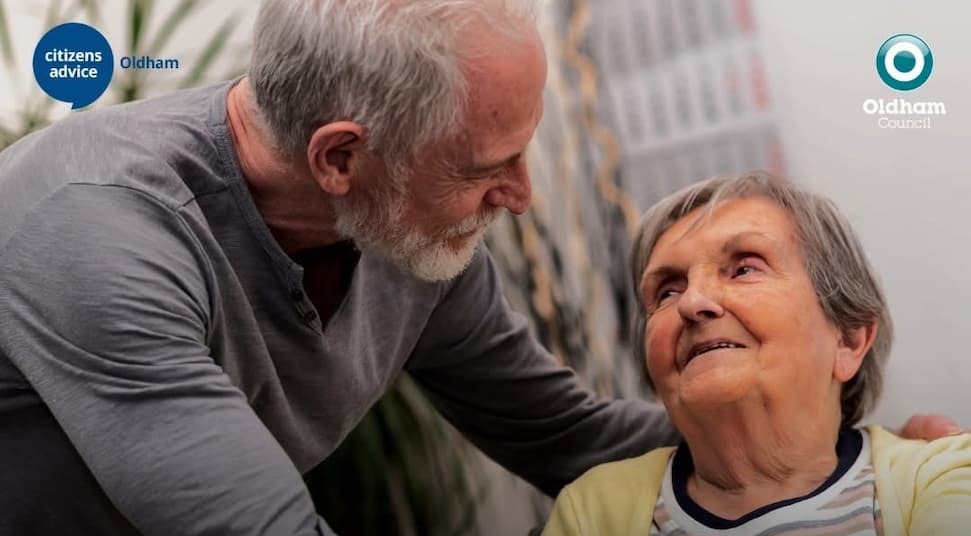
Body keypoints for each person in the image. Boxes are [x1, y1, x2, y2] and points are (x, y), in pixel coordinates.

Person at [0, 1, 955, 534]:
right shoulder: (95, 227)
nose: (522, 196)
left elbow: (558, 431)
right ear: (342, 157)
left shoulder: (405, 228)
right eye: (484, 166)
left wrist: (839, 441)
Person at [542, 172, 971, 536]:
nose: (692, 302)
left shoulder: (941, 477)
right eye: (667, 290)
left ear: (849, 339)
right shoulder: (593, 511)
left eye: (745, 268)